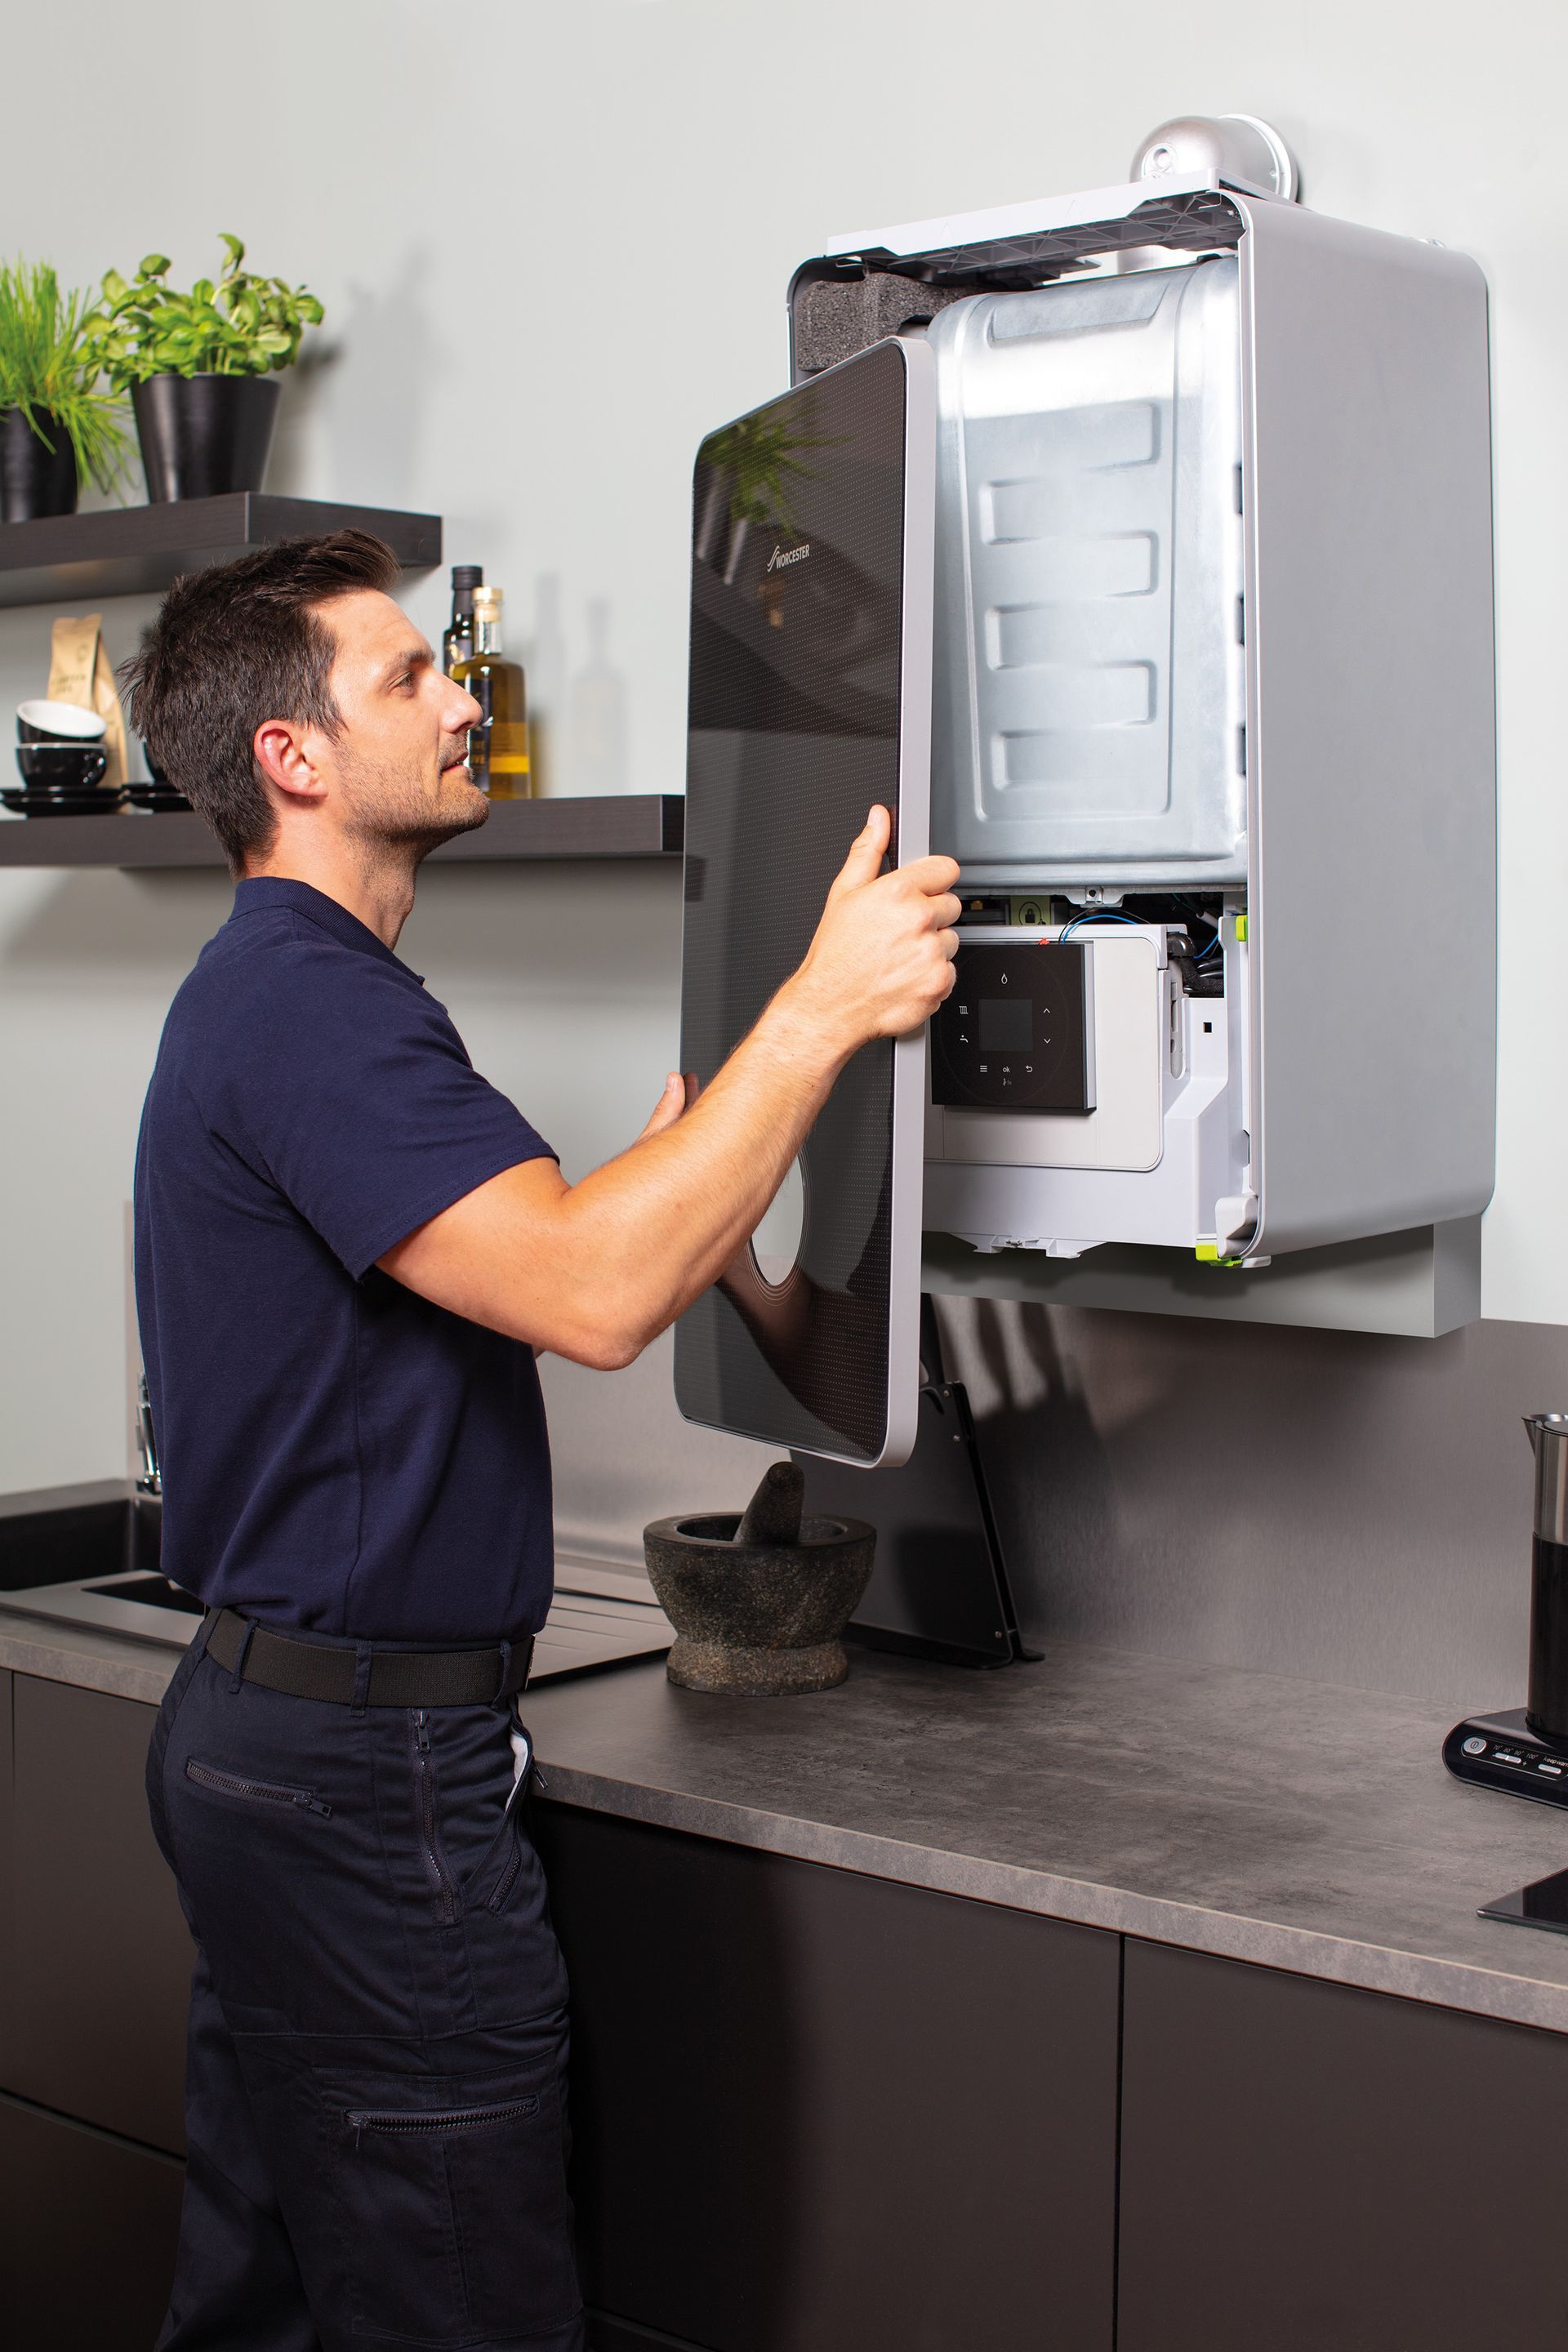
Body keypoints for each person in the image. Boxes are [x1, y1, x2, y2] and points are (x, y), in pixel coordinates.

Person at [125, 528, 960, 2352]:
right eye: (409, 678)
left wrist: (713, 1221)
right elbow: (586, 1292)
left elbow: (563, 1251)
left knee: (270, 2299)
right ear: (294, 759)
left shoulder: (293, 998)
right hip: (357, 1789)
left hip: (281, 1749)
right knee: (457, 2313)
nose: (458, 704)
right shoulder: (308, 1004)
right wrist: (822, 1005)